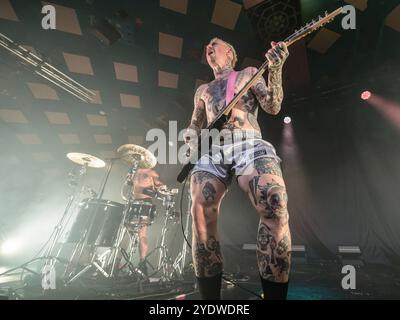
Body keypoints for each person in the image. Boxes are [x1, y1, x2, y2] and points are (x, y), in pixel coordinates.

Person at [183, 38, 291, 300]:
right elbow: (195, 126)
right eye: (206, 46)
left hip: (249, 143)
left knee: (273, 201)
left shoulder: (248, 74)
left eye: (214, 44)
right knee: (200, 211)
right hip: (213, 150)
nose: (208, 47)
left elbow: (272, 106)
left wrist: (276, 68)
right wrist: (190, 137)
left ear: (230, 52)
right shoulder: (203, 90)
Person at [122, 168, 163, 275]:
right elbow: (128, 184)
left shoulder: (152, 173)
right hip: (132, 202)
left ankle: (142, 263)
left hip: (145, 203)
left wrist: (156, 186)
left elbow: (159, 187)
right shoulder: (134, 170)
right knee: (124, 234)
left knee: (142, 235)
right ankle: (117, 261)